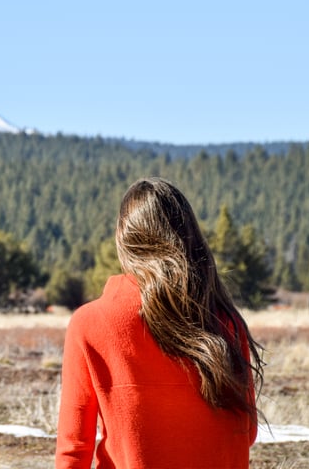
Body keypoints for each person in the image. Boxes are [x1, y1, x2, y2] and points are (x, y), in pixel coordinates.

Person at [56, 177, 263, 468]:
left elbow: (74, 448)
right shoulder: (224, 320)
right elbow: (246, 432)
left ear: (125, 239)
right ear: (191, 238)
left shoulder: (89, 323)